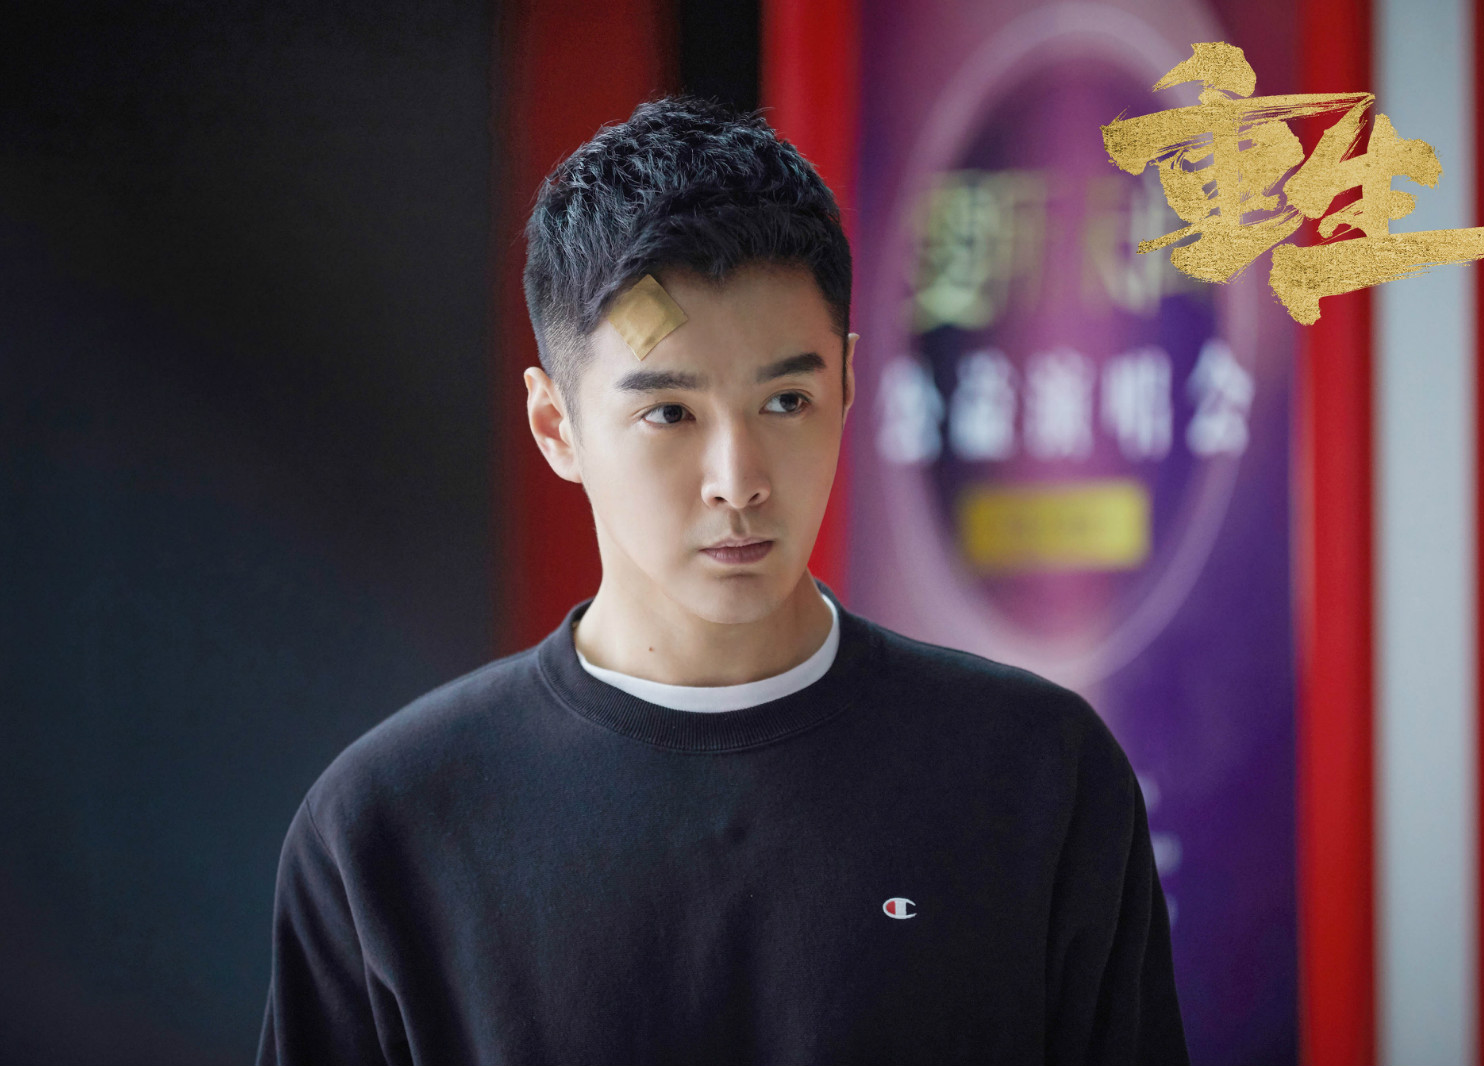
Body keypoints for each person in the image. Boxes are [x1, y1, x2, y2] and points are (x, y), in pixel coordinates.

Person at [256, 94, 1188, 1066]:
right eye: (669, 413)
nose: (738, 481)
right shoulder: (391, 827)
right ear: (556, 427)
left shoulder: (1038, 774)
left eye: (786, 400)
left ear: (847, 384)